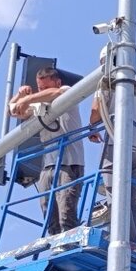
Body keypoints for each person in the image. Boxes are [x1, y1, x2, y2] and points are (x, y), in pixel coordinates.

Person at [88, 46, 136, 243]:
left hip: (117, 145)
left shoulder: (108, 81)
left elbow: (96, 111)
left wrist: (92, 128)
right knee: (132, 200)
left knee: (116, 195)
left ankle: (122, 242)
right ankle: (131, 242)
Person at [9, 66, 85, 235]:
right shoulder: (40, 105)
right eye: (39, 88)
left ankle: (69, 242)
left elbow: (56, 93)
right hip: (48, 166)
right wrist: (20, 96)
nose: (41, 91)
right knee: (48, 210)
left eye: (45, 87)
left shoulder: (65, 91)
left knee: (66, 210)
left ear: (57, 82)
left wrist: (28, 99)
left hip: (69, 163)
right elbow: (13, 111)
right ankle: (55, 245)